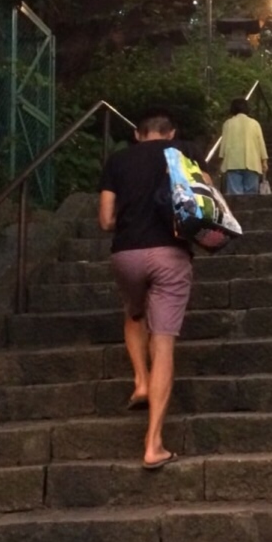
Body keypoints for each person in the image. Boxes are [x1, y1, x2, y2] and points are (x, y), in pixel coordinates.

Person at [98, 108, 197, 470]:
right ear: (171, 133)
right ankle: (153, 444)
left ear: (137, 135)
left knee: (134, 311)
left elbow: (105, 220)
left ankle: (140, 380)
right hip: (170, 253)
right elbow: (204, 198)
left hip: (126, 254)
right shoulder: (182, 151)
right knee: (164, 342)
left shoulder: (118, 160)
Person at [218, 98, 268, 195]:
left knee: (234, 194)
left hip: (233, 162)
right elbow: (261, 143)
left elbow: (224, 143)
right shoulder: (255, 123)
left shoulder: (228, 123)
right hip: (252, 162)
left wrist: (222, 159)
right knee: (251, 194)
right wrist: (264, 160)